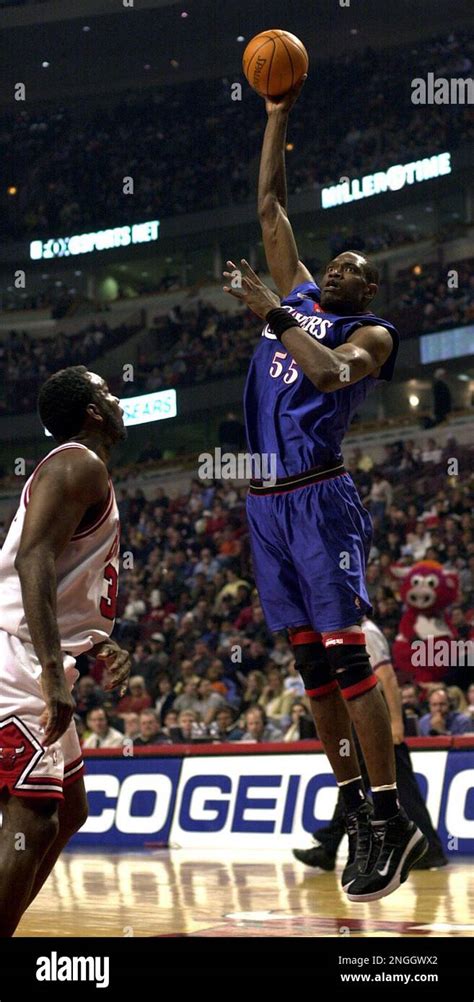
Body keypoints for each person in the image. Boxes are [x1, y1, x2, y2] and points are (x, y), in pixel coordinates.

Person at [222, 78, 426, 902]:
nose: (336, 268)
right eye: (333, 261)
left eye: (352, 269)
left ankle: (391, 814)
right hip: (264, 506)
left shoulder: (366, 333)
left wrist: (277, 316)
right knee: (310, 671)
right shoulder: (300, 296)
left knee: (348, 657)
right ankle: (354, 809)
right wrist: (277, 117)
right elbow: (271, 209)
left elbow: (326, 369)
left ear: (366, 290)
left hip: (319, 497)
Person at [0, 366, 131, 936]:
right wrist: (54, 674)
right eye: (107, 390)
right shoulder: (78, 462)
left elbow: (66, 579)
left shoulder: (83, 469)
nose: (118, 396)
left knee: (68, 810)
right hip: (18, 655)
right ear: (93, 411)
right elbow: (34, 561)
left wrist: (96, 645)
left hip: (40, 652)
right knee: (34, 815)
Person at [293, 618, 447, 873]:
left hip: (379, 725)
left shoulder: (366, 632)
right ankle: (328, 846)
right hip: (367, 723)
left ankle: (429, 850)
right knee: (354, 786)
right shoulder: (347, 630)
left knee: (397, 790)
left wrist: (396, 724)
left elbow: (388, 679)